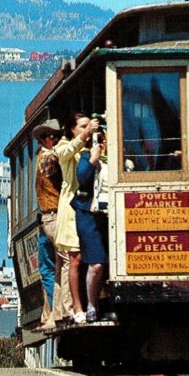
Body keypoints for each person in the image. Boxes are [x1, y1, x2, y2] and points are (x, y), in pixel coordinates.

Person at [54, 113, 101, 324]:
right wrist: (85, 136)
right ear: (72, 130)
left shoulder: (92, 146)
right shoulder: (65, 146)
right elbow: (64, 153)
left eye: (88, 126)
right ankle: (77, 307)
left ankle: (94, 304)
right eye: (82, 127)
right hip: (72, 210)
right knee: (76, 259)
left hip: (90, 208)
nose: (86, 130)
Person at [31, 118, 71, 330]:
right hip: (54, 216)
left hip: (49, 218)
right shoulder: (47, 157)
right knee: (67, 261)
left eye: (57, 136)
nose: (54, 140)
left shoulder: (42, 155)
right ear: (44, 139)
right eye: (51, 136)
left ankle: (51, 315)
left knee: (55, 267)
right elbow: (53, 164)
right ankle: (64, 310)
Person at [72, 130, 110, 323]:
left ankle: (104, 302)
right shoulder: (87, 157)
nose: (102, 143)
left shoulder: (117, 159)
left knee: (106, 265)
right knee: (96, 263)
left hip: (110, 215)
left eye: (104, 139)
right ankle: (91, 305)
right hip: (89, 215)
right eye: (99, 140)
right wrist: (93, 159)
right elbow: (82, 178)